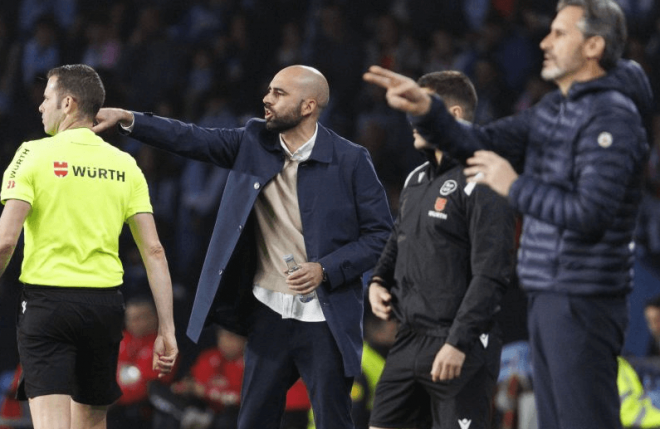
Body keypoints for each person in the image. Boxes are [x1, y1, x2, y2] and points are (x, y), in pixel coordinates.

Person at [363, 1, 653, 428]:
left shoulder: (614, 117)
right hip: (546, 294)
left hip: (584, 298)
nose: (544, 41)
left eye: (558, 33)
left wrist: (513, 185)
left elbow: (591, 213)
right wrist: (429, 112)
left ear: (593, 45)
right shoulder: (553, 110)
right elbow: (479, 141)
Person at [93, 65, 393, 429]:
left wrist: (325, 268)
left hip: (324, 319)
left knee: (333, 421)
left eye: (279, 93)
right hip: (268, 314)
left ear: (308, 105)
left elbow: (380, 235)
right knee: (252, 421)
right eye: (269, 90)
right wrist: (131, 119)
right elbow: (192, 138)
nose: (267, 99)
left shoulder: (350, 159)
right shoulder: (254, 141)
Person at [0, 64, 178, 429]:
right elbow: (154, 251)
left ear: (68, 103)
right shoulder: (125, 164)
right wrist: (167, 327)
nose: (40, 106)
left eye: (46, 98)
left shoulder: (30, 153)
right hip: (104, 307)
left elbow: (4, 241)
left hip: (47, 305)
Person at [366, 71, 516, 429]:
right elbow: (398, 236)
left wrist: (458, 342)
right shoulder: (416, 179)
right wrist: (377, 279)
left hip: (458, 344)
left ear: (454, 116)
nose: (411, 118)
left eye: (421, 107)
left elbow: (492, 272)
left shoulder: (484, 176)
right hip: (408, 339)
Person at [108, 298, 177, 429]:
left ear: (154, 317)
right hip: (113, 402)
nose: (134, 323)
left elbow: (148, 386)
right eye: (130, 318)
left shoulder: (164, 344)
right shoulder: (120, 339)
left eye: (140, 318)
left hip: (141, 409)